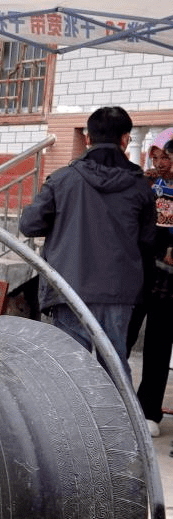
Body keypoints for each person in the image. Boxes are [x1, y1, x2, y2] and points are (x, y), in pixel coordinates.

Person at [19, 106, 156, 365]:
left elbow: (29, 224)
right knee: (115, 372)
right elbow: (148, 244)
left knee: (72, 373)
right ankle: (116, 408)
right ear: (126, 139)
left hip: (69, 290)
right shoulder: (140, 187)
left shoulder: (63, 180)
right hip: (118, 292)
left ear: (87, 138)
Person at [134, 131, 173, 436]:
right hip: (140, 269)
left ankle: (150, 411)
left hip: (168, 279)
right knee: (122, 335)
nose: (160, 163)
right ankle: (119, 402)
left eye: (167, 157)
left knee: (158, 343)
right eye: (155, 156)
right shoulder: (147, 185)